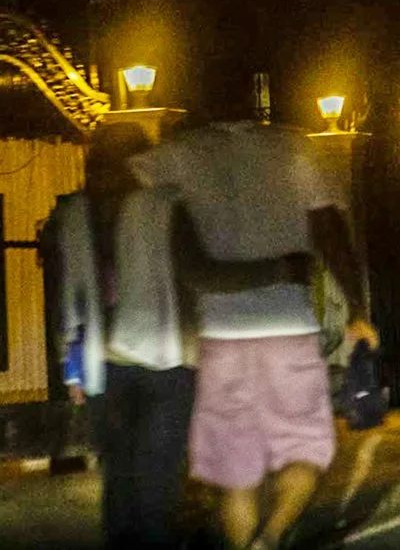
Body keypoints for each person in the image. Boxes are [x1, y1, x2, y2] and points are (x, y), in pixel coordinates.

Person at [54, 122, 312, 549]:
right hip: (166, 360)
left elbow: (66, 296)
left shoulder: (74, 214)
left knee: (120, 481)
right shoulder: (163, 207)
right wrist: (280, 269)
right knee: (156, 482)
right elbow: (202, 274)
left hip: (102, 365)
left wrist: (71, 367)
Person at [129, 119, 379, 550]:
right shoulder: (296, 149)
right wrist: (357, 308)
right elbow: (331, 234)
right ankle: (271, 538)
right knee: (304, 451)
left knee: (235, 474)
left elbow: (135, 182)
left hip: (221, 334)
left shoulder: (182, 152)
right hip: (288, 329)